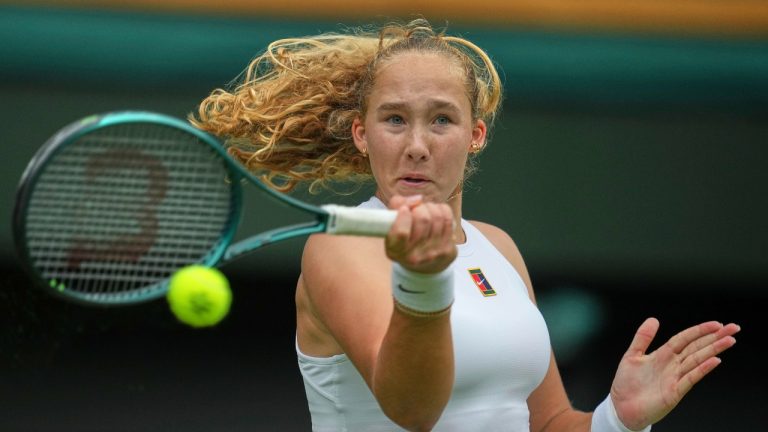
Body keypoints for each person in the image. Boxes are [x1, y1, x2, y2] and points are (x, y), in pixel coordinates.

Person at [192, 19, 740, 432]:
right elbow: (412, 410)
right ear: (362, 134)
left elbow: (549, 423)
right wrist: (424, 281)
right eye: (394, 119)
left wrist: (616, 420)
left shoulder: (498, 247)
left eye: (441, 120)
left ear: (475, 135)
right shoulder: (340, 248)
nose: (416, 146)